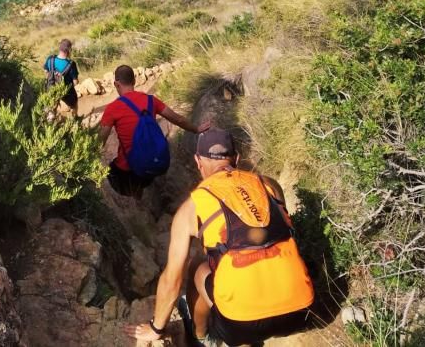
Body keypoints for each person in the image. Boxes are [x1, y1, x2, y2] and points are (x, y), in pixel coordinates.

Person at [124, 128, 314, 346]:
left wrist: (156, 328)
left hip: (241, 323)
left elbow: (172, 279)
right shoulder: (269, 185)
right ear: (237, 158)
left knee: (197, 266)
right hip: (301, 312)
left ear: (198, 161)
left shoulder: (191, 208)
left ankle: (202, 337)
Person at [98, 64, 207, 198]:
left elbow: (101, 139)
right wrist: (196, 129)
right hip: (154, 164)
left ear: (116, 84)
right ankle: (141, 191)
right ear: (134, 81)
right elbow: (178, 119)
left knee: (112, 171)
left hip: (129, 170)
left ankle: (134, 201)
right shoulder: (151, 100)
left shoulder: (113, 108)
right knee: (142, 173)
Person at [44, 39, 80, 117]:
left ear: (59, 48)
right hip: (67, 91)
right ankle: (75, 119)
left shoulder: (50, 59)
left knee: (51, 108)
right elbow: (75, 82)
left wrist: (53, 78)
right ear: (69, 50)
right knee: (74, 104)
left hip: (51, 88)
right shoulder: (71, 64)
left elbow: (46, 71)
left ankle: (50, 122)